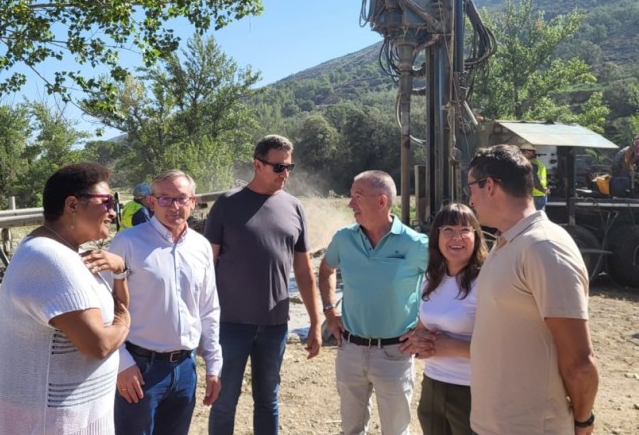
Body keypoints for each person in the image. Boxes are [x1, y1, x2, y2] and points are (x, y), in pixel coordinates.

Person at [0, 162, 131, 434]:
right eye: (106, 201)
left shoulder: (65, 253)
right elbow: (97, 344)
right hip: (49, 423)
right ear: (72, 205)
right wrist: (124, 322)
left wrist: (121, 272)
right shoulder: (49, 258)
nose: (113, 211)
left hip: (71, 419)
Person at [466, 144, 599, 435]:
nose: (470, 199)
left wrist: (583, 422)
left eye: (471, 188)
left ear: (489, 186)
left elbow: (580, 362)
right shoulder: (508, 243)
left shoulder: (543, 247)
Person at [205, 134, 322, 435]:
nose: (286, 174)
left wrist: (315, 322)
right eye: (278, 167)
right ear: (258, 165)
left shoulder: (294, 207)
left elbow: (305, 270)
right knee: (224, 399)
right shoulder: (227, 205)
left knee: (267, 399)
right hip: (230, 324)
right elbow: (206, 268)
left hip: (274, 325)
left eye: (289, 167)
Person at [110, 170, 221, 435]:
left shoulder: (201, 246)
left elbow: (208, 308)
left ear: (193, 202)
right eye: (164, 199)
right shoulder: (127, 243)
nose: (174, 207)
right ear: (151, 202)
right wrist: (122, 364)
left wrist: (214, 365)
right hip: (140, 369)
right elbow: (106, 307)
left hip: (185, 369)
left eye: (181, 199)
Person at [319, 170, 428, 435]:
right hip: (350, 350)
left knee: (396, 430)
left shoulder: (416, 245)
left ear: (381, 201)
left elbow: (440, 283)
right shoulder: (344, 238)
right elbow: (325, 270)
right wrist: (330, 312)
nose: (350, 203)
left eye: (357, 196)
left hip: (395, 353)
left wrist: (424, 325)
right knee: (351, 429)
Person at [399, 203, 488, 435]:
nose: (456, 237)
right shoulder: (431, 278)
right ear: (437, 236)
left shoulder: (487, 281)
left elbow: (500, 350)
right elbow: (422, 328)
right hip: (432, 385)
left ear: (476, 236)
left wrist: (451, 346)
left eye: (464, 230)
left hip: (471, 391)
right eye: (448, 229)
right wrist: (418, 343)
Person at [520, 142, 548, 211]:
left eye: (523, 151)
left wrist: (542, 189)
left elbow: (534, 180)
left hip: (533, 195)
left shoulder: (530, 164)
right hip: (539, 195)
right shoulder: (538, 163)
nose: (521, 154)